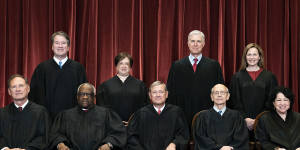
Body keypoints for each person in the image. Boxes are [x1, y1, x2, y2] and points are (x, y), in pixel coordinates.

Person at [167, 30, 224, 124]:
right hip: (182, 116)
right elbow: (170, 92)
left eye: (199, 41)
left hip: (208, 117)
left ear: (203, 44)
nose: (195, 44)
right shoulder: (177, 66)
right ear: (188, 43)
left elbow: (220, 92)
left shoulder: (214, 66)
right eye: (192, 41)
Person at [49, 83, 126, 150]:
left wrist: (109, 144)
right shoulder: (65, 115)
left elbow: (118, 133)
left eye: (88, 94)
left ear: (94, 97)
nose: (85, 97)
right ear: (77, 97)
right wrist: (60, 144)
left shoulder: (106, 114)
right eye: (82, 94)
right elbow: (55, 134)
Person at [29, 31, 87, 118]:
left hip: (73, 119)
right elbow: (34, 95)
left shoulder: (78, 68)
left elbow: (84, 94)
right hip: (47, 119)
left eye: (63, 43)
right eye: (57, 43)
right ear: (52, 47)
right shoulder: (42, 68)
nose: (60, 46)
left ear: (68, 47)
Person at [229, 43, 278, 140]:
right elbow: (234, 101)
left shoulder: (270, 77)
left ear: (260, 57)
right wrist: (245, 119)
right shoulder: (237, 77)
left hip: (264, 123)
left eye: (255, 54)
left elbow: (272, 101)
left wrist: (258, 120)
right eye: (249, 54)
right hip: (241, 123)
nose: (252, 57)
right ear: (245, 57)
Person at [127, 81, 190, 150]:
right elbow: (132, 137)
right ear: (150, 95)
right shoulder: (141, 114)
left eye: (161, 92)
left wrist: (174, 144)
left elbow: (183, 134)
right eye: (154, 92)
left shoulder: (176, 112)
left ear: (166, 94)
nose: (158, 95)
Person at [0, 74, 51, 150]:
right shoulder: (2, 113)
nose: (18, 89)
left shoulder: (40, 112)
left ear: (28, 89)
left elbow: (43, 137)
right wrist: (5, 148)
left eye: (21, 86)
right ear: (9, 92)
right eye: (14, 87)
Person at [96, 52, 148, 125]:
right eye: (121, 63)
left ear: (130, 67)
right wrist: (114, 121)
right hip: (112, 126)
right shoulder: (105, 85)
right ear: (116, 66)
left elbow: (144, 107)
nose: (124, 66)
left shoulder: (140, 85)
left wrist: (133, 121)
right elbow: (101, 108)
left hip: (135, 126)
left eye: (127, 64)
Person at [193, 84, 249, 150]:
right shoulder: (202, 117)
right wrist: (219, 148)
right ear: (211, 97)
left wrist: (230, 148)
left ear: (228, 96)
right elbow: (201, 139)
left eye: (222, 92)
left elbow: (241, 138)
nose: (219, 95)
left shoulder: (237, 116)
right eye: (216, 93)